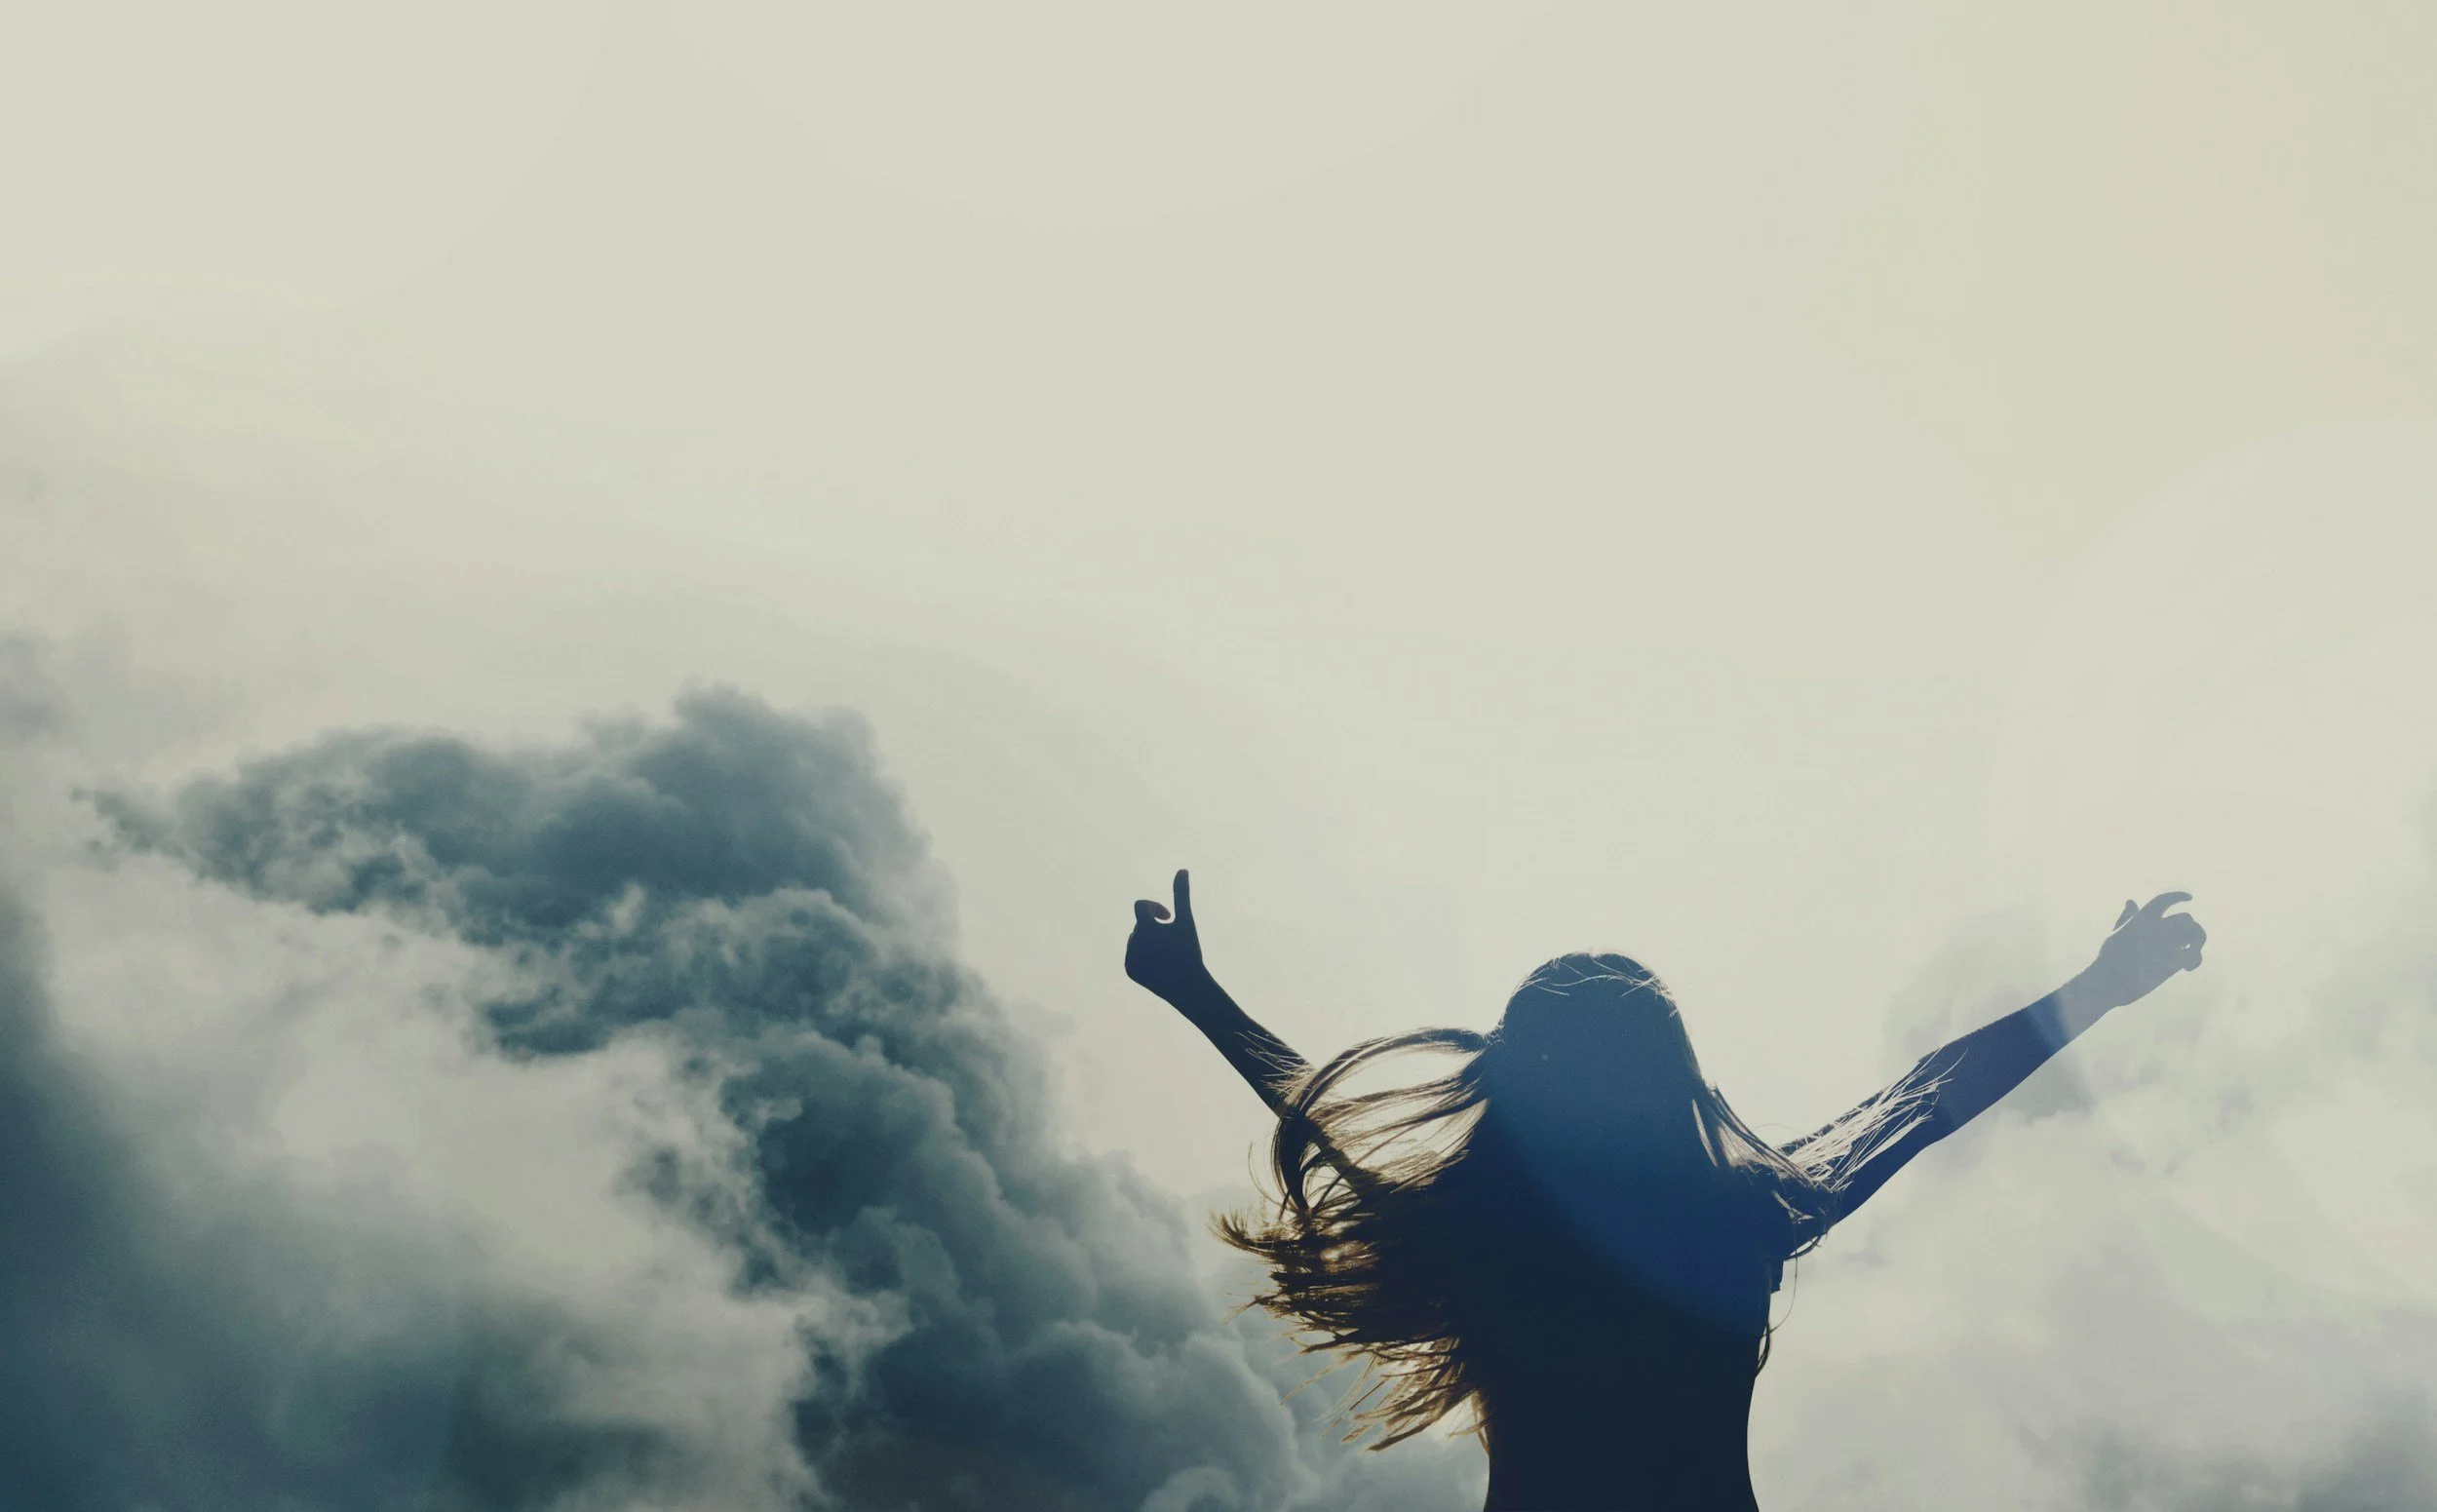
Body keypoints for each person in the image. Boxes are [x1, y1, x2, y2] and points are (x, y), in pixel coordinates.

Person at [1124, 872, 2205, 1511]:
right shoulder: (1740, 1215)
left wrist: (1197, 994)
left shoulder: (1486, 1230)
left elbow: (1324, 1111)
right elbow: (1930, 1097)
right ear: (1671, 1078)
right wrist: (2099, 986)